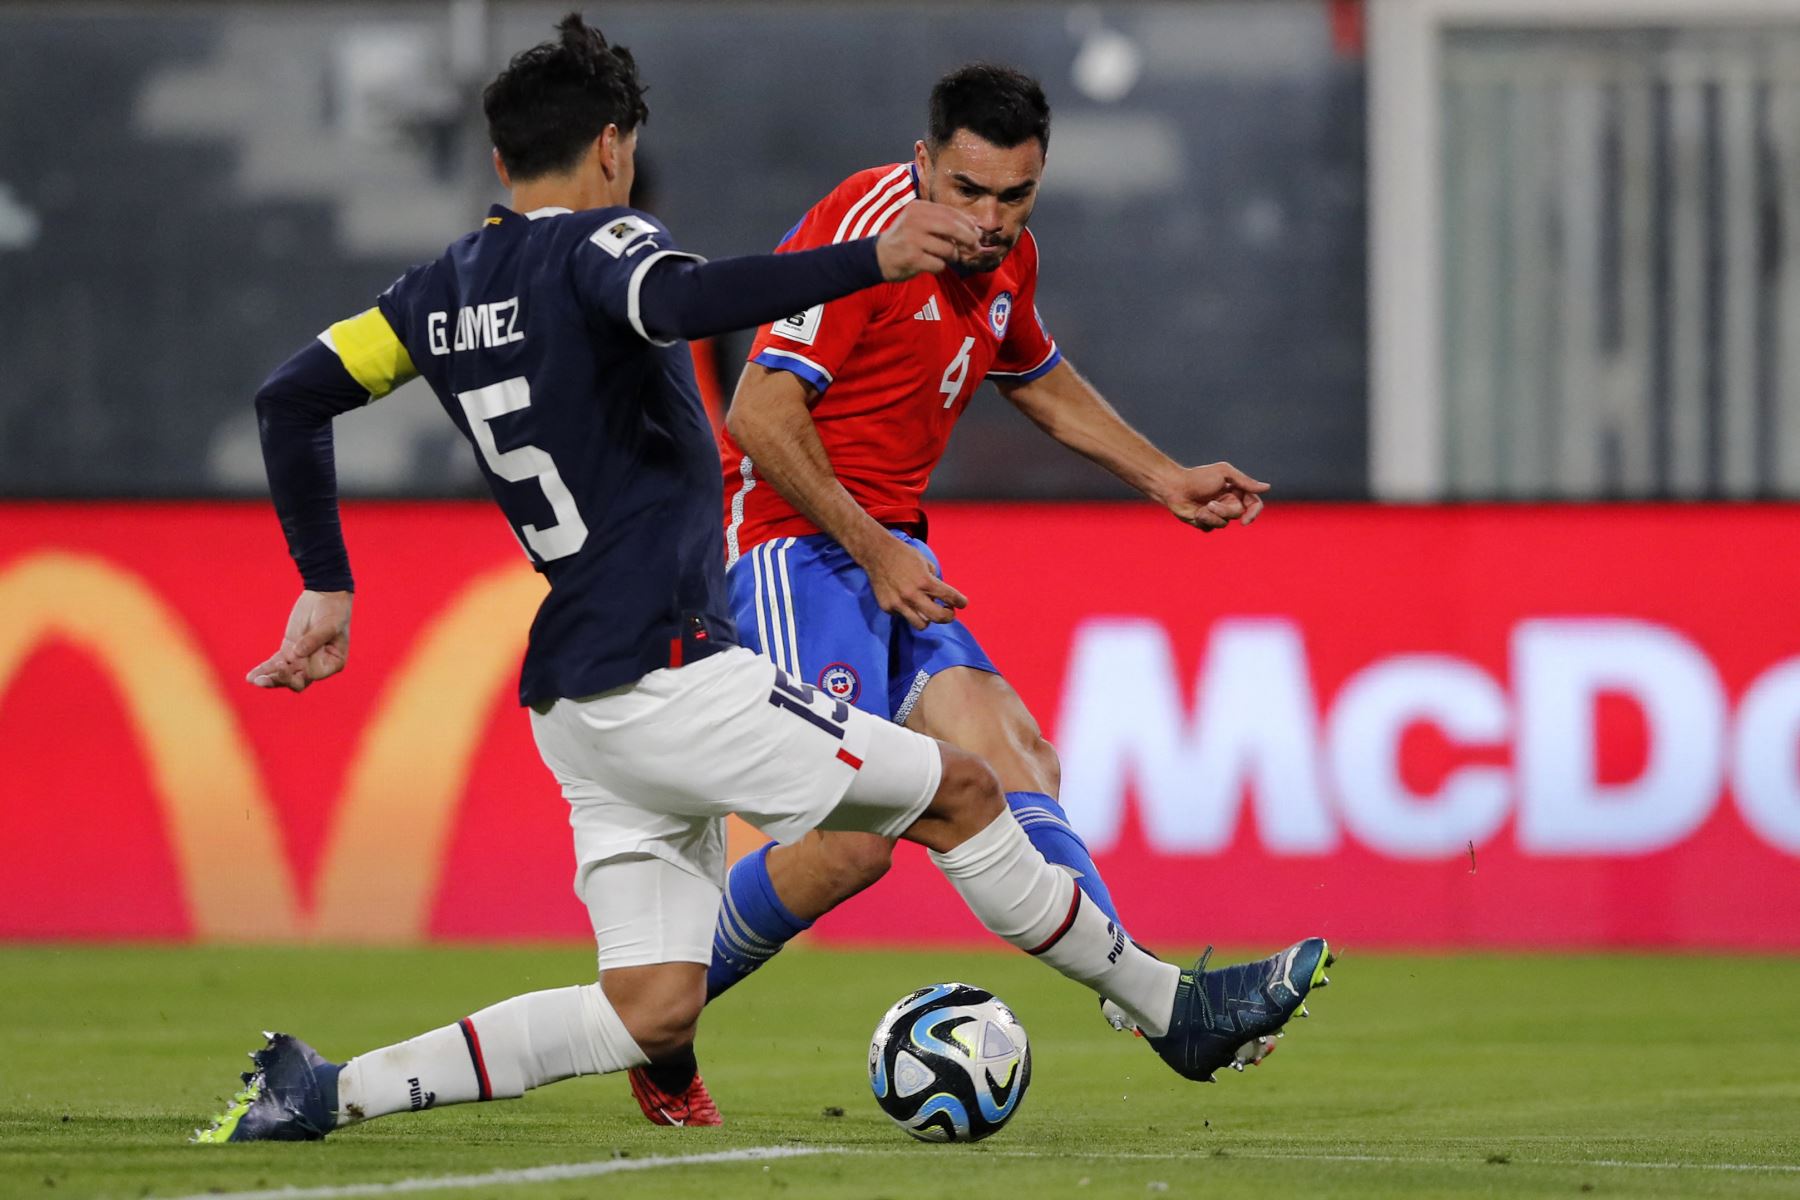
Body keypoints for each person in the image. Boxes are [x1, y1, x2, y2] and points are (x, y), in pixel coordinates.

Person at [193, 18, 1330, 1145]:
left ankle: (323, 1090)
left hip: (578, 700)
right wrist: (865, 261)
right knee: (960, 795)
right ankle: (1172, 1009)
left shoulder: (431, 293)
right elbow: (680, 306)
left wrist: (325, 582)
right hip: (677, 663)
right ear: (613, 148)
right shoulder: (604, 249)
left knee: (650, 1010)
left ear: (497, 161)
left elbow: (290, 398)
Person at [703, 64, 1292, 1058]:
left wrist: (1164, 478)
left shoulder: (1006, 259)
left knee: (1019, 757)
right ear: (925, 161)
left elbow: (1035, 373)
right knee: (853, 839)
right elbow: (757, 414)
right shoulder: (866, 226)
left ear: (1040, 179)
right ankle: (654, 1002)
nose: (987, 219)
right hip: (792, 547)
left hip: (890, 552)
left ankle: (1149, 1003)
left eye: (1013, 197)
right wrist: (875, 548)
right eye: (966, 191)